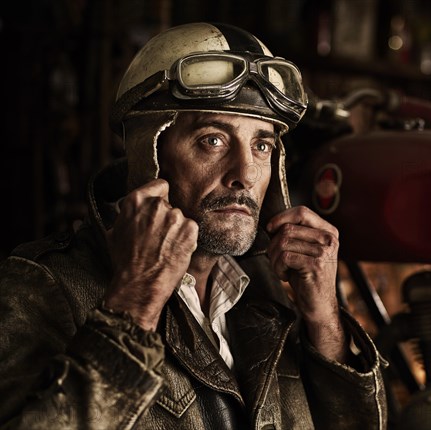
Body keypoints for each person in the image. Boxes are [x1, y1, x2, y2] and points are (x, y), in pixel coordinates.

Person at [0, 22, 387, 429]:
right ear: (148, 154)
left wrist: (326, 322)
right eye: (212, 141)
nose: (245, 175)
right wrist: (133, 305)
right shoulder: (41, 286)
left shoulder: (273, 295)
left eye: (262, 145)